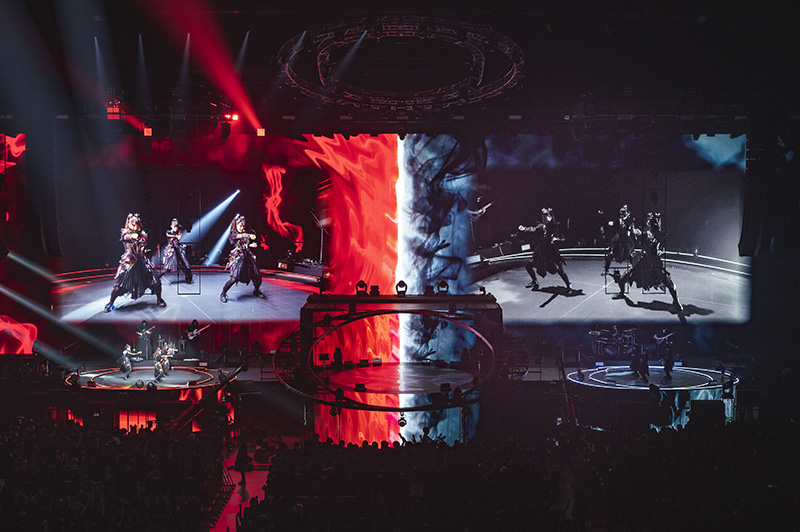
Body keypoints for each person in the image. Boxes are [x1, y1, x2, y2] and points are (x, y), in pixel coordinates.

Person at [613, 212, 682, 311]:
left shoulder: (654, 235)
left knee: (668, 282)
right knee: (625, 277)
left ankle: (676, 301)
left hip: (653, 263)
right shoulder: (649, 234)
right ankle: (622, 293)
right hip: (644, 261)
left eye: (650, 222)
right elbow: (635, 232)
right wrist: (630, 224)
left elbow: (637, 232)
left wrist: (631, 224)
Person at [104, 213, 166, 312]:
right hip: (129, 260)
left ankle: (159, 298)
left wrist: (138, 236)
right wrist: (133, 235)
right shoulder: (125, 232)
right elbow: (126, 237)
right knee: (120, 286)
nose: (133, 226)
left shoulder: (143, 234)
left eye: (135, 224)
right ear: (128, 224)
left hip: (142, 260)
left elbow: (143, 241)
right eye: (131, 224)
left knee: (156, 281)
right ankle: (110, 303)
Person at [518, 207, 571, 291]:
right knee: (528, 265)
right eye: (543, 216)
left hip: (551, 251)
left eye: (546, 216)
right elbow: (533, 229)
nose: (544, 218)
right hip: (541, 250)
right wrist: (524, 229)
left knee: (558, 269)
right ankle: (535, 281)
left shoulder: (553, 227)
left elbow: (562, 238)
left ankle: (568, 285)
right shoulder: (541, 226)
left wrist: (555, 239)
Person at [220, 214, 266, 303]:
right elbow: (239, 237)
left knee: (257, 276)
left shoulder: (244, 233)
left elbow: (245, 245)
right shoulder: (233, 234)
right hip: (238, 258)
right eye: (240, 226)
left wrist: (250, 245)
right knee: (234, 278)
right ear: (236, 225)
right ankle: (223, 293)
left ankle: (256, 290)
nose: (242, 227)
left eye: (243, 226)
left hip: (248, 257)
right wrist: (248, 235)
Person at [603, 204, 639, 275]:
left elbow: (629, 229)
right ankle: (606, 270)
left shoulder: (629, 220)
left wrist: (632, 233)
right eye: (621, 213)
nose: (622, 215)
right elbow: (614, 224)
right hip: (618, 240)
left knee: (628, 255)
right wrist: (611, 223)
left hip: (625, 240)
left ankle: (634, 269)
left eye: (623, 213)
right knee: (611, 254)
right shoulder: (619, 220)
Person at [161, 218, 193, 284]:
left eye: (177, 226)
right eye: (174, 226)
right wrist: (176, 236)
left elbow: (177, 241)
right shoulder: (169, 232)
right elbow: (168, 235)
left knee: (186, 265)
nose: (176, 228)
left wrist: (181, 245)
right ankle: (155, 280)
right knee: (166, 268)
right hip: (171, 251)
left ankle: (189, 278)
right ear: (171, 226)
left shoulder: (178, 232)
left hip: (178, 250)